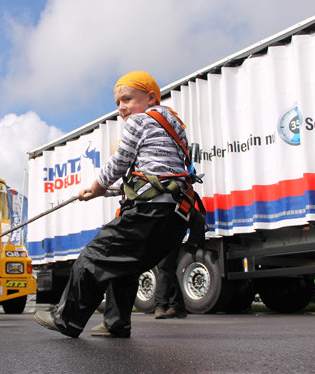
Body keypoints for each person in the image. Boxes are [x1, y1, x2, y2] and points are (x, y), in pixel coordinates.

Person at [34, 71, 201, 338]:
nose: (122, 108)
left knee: (93, 257)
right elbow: (153, 176)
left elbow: (120, 161)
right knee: (125, 265)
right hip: (176, 216)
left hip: (149, 211)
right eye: (118, 103)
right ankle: (116, 323)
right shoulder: (174, 126)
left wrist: (97, 185)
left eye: (127, 99)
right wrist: (104, 193)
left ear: (150, 97)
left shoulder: (140, 121)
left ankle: (67, 319)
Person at [154, 244, 187, 319]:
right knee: (167, 267)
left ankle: (160, 305)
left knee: (164, 265)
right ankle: (177, 305)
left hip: (170, 235)